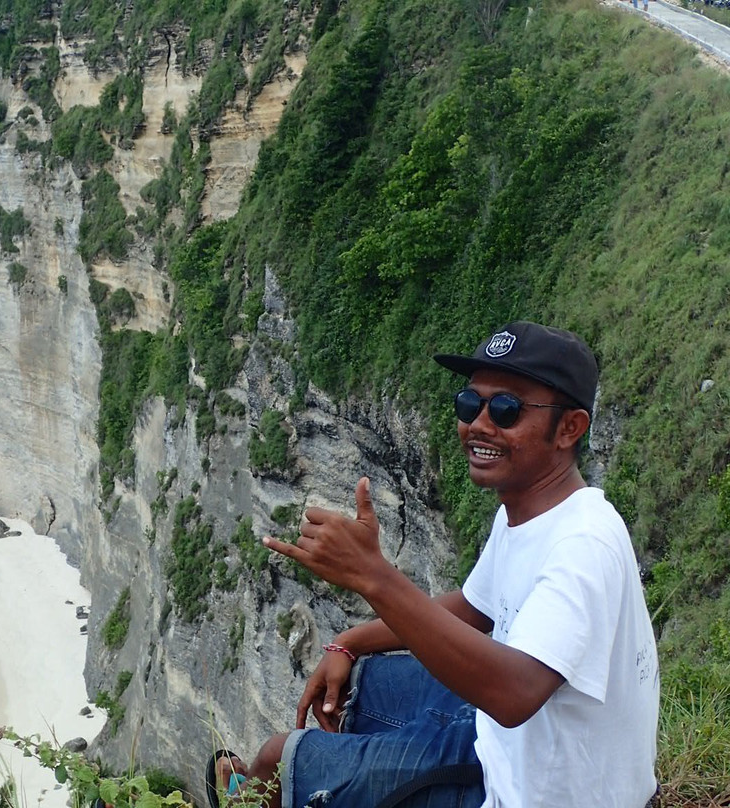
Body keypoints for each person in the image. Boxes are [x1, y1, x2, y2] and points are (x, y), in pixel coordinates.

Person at [210, 322, 659, 808]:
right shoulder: (531, 511)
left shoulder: (583, 544)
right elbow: (472, 608)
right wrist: (349, 642)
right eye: (471, 404)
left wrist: (373, 577)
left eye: (506, 409)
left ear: (569, 428)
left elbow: (515, 694)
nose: (480, 424)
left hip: (531, 789)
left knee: (278, 761)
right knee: (358, 683)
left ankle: (246, 798)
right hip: (514, 744)